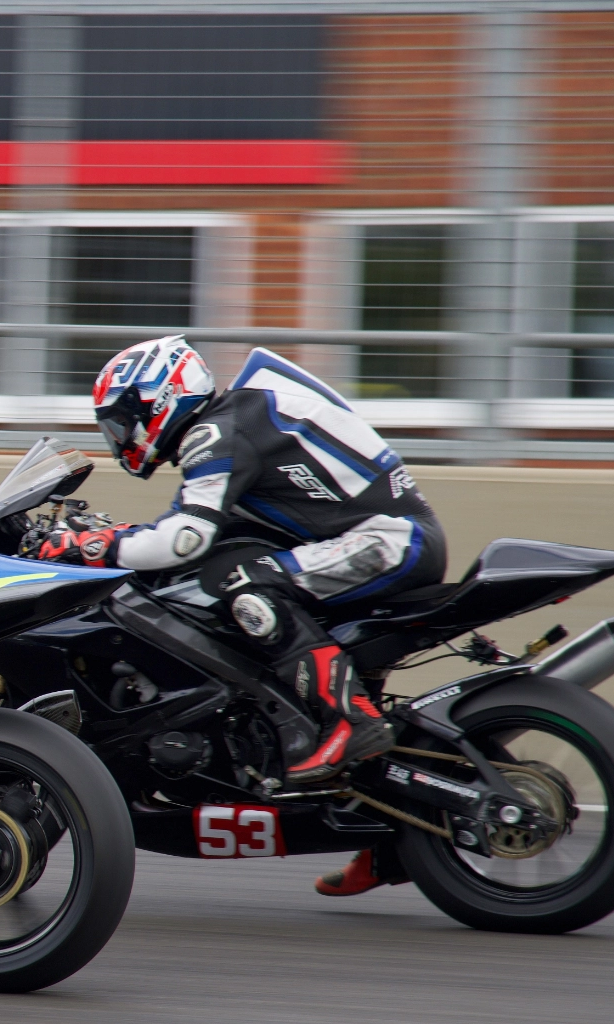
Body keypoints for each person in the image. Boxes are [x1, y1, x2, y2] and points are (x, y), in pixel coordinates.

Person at [30, 336, 445, 897]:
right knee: (231, 580)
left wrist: (93, 546)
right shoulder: (232, 424)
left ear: (161, 398)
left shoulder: (219, 428)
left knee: (246, 585)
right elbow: (192, 529)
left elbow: (184, 539)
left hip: (390, 542)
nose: (121, 436)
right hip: (375, 539)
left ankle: (348, 721)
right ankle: (392, 836)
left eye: (125, 419)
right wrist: (115, 536)